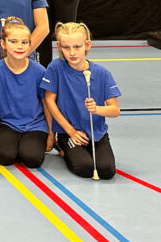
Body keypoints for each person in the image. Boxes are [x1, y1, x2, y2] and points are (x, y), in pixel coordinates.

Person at [42, 22, 120, 180]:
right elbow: (49, 101)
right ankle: (62, 146)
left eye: (77, 47)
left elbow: (115, 110)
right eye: (66, 47)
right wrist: (70, 131)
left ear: (87, 45)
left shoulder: (103, 73)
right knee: (84, 168)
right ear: (59, 46)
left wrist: (97, 109)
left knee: (107, 171)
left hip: (97, 133)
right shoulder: (55, 68)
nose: (72, 52)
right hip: (69, 133)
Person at [0, 17, 52, 168]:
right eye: (13, 41)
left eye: (24, 42)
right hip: (8, 124)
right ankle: (14, 142)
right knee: (5, 157)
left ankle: (27, 144)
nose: (19, 46)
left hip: (35, 125)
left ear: (30, 44)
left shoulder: (39, 71)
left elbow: (46, 104)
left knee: (32, 158)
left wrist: (51, 134)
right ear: (3, 44)